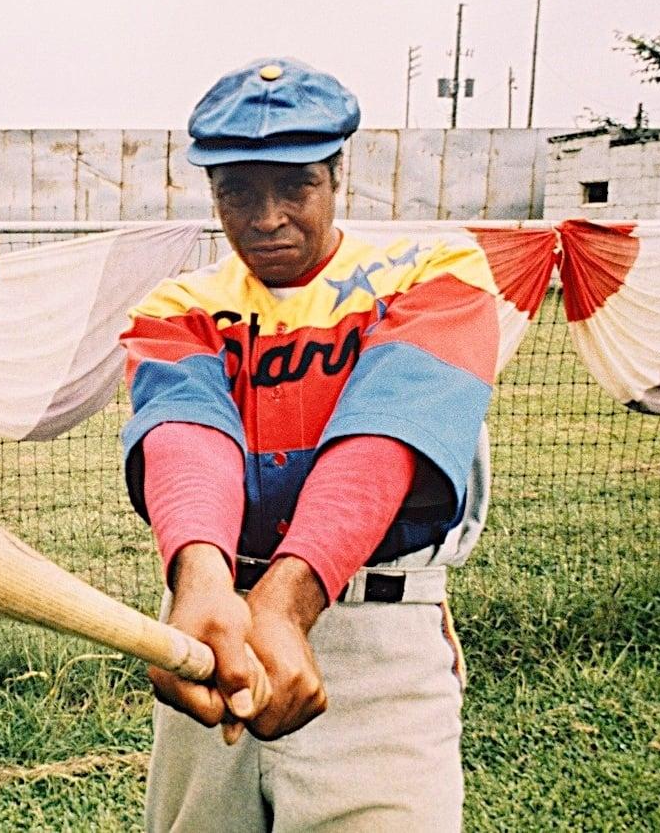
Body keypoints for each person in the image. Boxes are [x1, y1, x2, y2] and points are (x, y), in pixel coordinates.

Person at [119, 56, 499, 831]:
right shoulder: (181, 304)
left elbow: (382, 443)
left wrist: (288, 603)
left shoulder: (434, 271)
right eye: (237, 191)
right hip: (213, 631)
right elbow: (189, 440)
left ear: (335, 176)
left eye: (294, 185)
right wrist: (199, 582)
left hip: (374, 636)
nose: (265, 218)